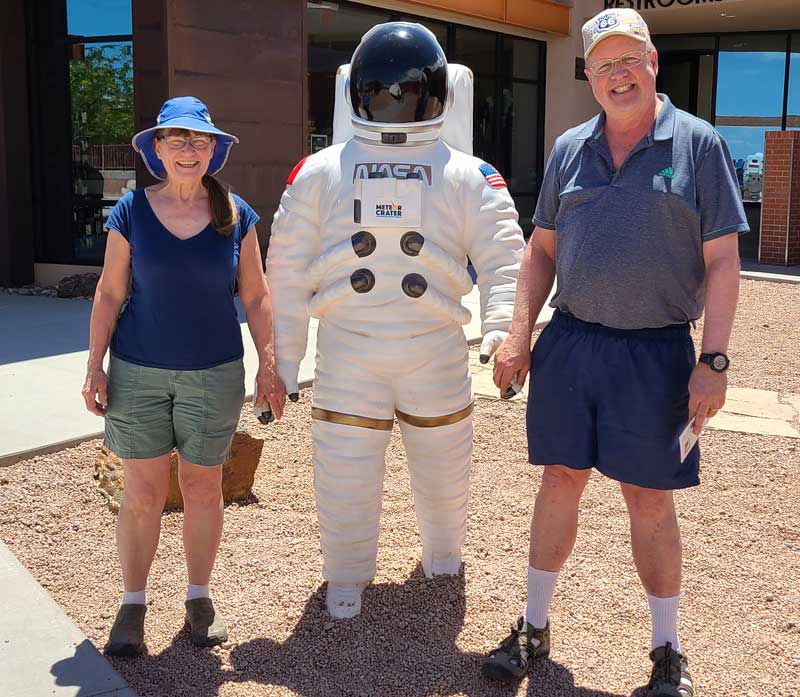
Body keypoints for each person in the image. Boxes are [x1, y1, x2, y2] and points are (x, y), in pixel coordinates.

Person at [481, 9, 747, 696]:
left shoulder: (699, 145)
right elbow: (541, 251)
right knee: (559, 480)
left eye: (629, 60)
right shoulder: (570, 147)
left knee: (650, 499)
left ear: (653, 62)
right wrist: (518, 335)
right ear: (589, 76)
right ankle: (534, 627)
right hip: (572, 344)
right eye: (603, 65)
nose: (617, 74)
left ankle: (667, 651)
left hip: (656, 354)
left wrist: (712, 360)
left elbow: (722, 261)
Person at [267, 22, 524, 619]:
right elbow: (285, 266)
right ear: (359, 91)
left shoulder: (467, 174)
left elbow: (504, 256)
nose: (395, 100)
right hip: (349, 349)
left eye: (406, 91)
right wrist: (283, 359)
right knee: (345, 472)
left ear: (434, 93)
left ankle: (443, 553)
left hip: (433, 346)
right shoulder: (321, 172)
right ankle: (347, 575)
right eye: (383, 90)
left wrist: (503, 325)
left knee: (443, 466)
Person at [81, 96, 286, 655]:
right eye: (177, 139)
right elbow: (109, 292)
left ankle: (199, 597)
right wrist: (95, 363)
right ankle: (132, 604)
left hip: (213, 374)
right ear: (158, 150)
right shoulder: (130, 211)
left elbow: (257, 295)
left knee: (202, 489)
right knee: (142, 495)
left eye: (199, 140)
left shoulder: (237, 214)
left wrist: (270, 366)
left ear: (214, 149)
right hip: (138, 372)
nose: (189, 149)